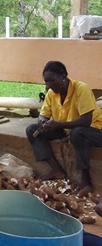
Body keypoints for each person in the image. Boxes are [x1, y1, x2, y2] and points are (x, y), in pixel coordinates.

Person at [26, 61, 102, 199]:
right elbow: (43, 114)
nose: (49, 85)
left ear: (63, 76)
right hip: (67, 129)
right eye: (46, 82)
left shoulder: (81, 89)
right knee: (32, 130)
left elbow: (86, 121)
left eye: (52, 81)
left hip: (94, 130)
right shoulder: (51, 93)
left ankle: (86, 180)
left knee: (78, 133)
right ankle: (57, 169)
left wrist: (58, 124)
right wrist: (43, 122)